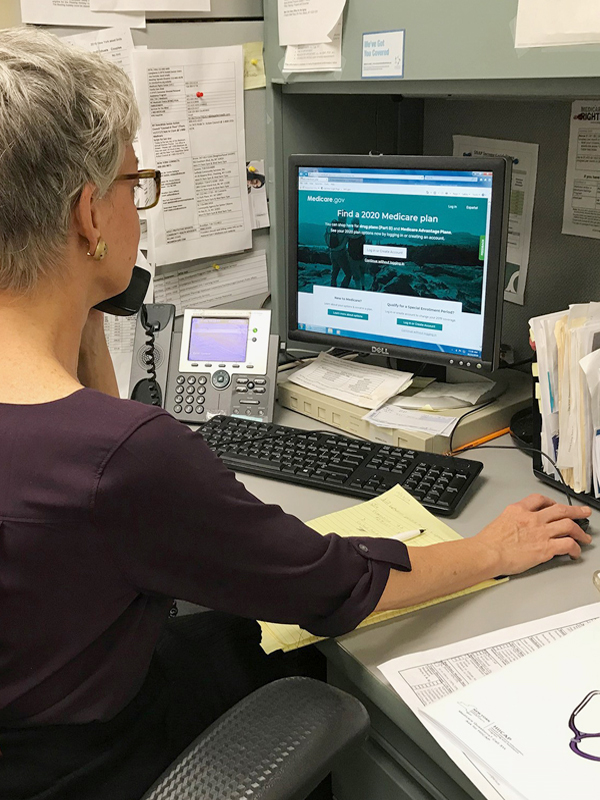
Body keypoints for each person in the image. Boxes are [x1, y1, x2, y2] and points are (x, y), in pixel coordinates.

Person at [0, 26, 592, 800]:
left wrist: (80, 306)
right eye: (132, 182)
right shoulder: (122, 459)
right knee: (295, 650)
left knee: (226, 629)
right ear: (89, 216)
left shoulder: (87, 447)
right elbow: (335, 588)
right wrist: (493, 550)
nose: (137, 203)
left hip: (29, 729)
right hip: (92, 764)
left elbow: (94, 455)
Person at [324, 217, 351, 286]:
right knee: (348, 273)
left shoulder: (331, 226)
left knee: (335, 272)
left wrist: (331, 248)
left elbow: (326, 237)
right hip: (341, 253)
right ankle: (343, 288)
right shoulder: (345, 228)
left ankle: (333, 287)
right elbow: (349, 238)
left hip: (332, 253)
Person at [346, 217, 366, 290]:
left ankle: (358, 288)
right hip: (361, 257)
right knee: (362, 273)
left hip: (353, 258)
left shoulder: (349, 236)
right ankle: (363, 286)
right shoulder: (362, 235)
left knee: (356, 275)